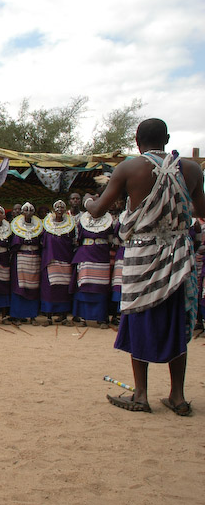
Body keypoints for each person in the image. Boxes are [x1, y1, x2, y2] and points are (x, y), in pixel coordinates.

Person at [87, 118, 205, 416]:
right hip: (178, 256)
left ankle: (140, 395)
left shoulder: (129, 168)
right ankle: (177, 397)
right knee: (176, 320)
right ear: (166, 138)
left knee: (139, 317)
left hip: (142, 256)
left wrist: (89, 201)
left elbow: (99, 210)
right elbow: (202, 210)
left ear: (136, 140)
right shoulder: (191, 169)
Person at [71, 198, 113, 328]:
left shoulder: (108, 222)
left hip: (102, 257)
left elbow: (111, 240)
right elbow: (77, 239)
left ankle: (101, 318)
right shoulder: (82, 222)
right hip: (86, 256)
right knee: (84, 286)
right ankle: (82, 317)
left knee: (101, 288)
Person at [40, 200, 76, 325]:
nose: (60, 209)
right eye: (57, 207)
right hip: (51, 261)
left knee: (64, 289)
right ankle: (49, 317)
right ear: (53, 210)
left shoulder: (70, 226)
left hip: (65, 260)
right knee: (50, 289)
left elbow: (72, 241)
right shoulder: (47, 225)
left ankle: (64, 316)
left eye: (62, 207)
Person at [9, 202, 43, 324]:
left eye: (31, 210)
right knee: (19, 287)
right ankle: (17, 315)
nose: (28, 212)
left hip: (34, 259)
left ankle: (32, 315)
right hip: (20, 259)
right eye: (26, 210)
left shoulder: (39, 227)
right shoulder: (15, 226)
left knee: (33, 288)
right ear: (22, 212)